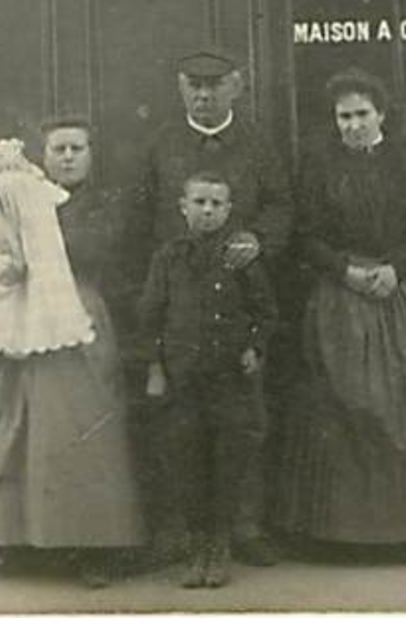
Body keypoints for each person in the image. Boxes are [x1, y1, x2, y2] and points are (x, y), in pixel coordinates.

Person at [277, 69, 406, 555]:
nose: (352, 124)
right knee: (345, 405)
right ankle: (346, 534)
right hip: (342, 295)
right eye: (343, 116)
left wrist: (397, 267)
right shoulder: (317, 164)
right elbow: (304, 235)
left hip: (399, 294)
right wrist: (344, 270)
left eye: (360, 114)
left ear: (381, 114)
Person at [129, 48, 293, 566]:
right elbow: (142, 218)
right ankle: (182, 534)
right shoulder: (160, 145)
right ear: (181, 88)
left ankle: (242, 528)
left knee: (242, 425)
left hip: (239, 303)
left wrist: (258, 240)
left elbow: (282, 205)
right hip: (179, 308)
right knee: (180, 430)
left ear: (236, 87)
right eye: (194, 86)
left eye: (215, 85)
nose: (204, 94)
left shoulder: (258, 143)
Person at [0, 138, 144, 587]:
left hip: (73, 311)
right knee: (12, 425)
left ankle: (93, 544)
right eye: (58, 148)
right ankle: (17, 539)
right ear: (42, 156)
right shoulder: (15, 189)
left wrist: (33, 245)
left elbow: (102, 253)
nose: (67, 156)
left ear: (92, 154)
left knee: (77, 427)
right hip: (15, 318)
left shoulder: (104, 206)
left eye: (78, 147)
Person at [139, 170, 277, 589]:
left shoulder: (241, 258)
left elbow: (265, 312)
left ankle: (219, 546)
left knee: (228, 461)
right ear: (183, 207)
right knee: (186, 460)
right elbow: (150, 318)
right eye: (199, 202)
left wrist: (254, 347)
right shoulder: (168, 257)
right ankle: (196, 545)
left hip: (229, 380)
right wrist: (156, 368)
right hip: (183, 379)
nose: (208, 210)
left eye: (217, 204)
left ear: (229, 210)